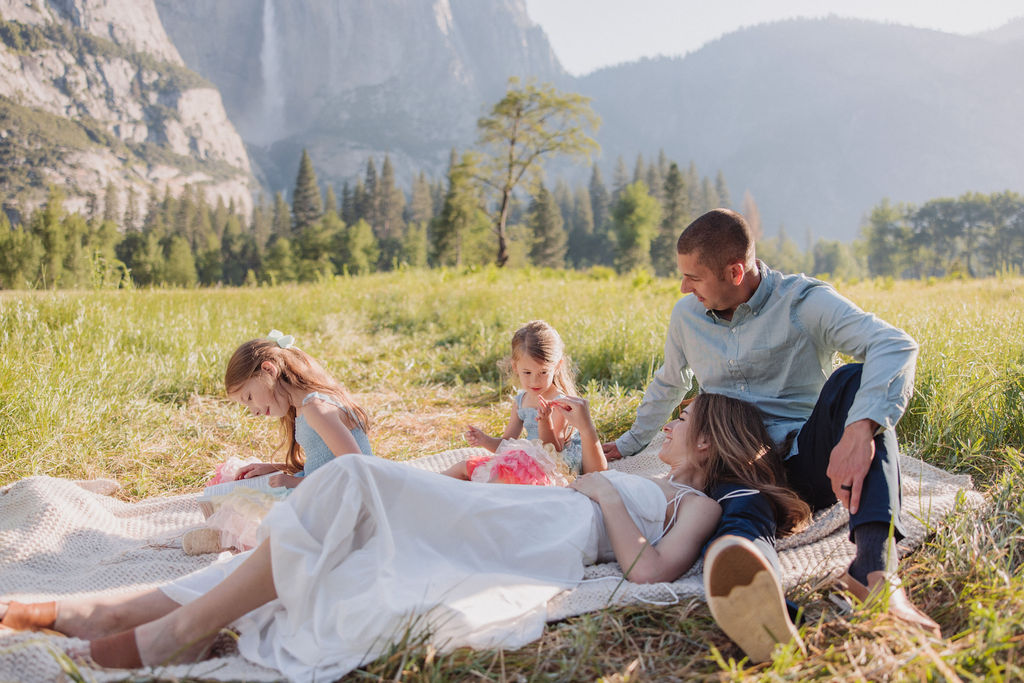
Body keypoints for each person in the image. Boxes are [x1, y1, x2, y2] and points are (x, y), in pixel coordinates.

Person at [0, 393, 807, 681]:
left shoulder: (701, 501)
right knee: (343, 526)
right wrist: (593, 461)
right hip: (534, 513)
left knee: (352, 485)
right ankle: (110, 609)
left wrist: (600, 493)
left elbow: (650, 569)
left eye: (683, 417)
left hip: (544, 534)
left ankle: (178, 628)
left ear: (707, 445)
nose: (668, 423)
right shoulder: (653, 471)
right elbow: (591, 462)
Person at [601, 208, 940, 662]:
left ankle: (874, 571)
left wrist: (858, 432)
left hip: (806, 461)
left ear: (735, 271)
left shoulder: (804, 303)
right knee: (739, 509)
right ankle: (759, 589)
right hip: (733, 461)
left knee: (854, 385)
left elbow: (894, 345)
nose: (684, 288)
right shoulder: (687, 317)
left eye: (693, 277)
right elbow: (669, 383)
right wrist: (627, 445)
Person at [445, 320, 606, 479]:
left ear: (556, 367)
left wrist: (545, 422)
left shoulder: (560, 402)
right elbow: (506, 443)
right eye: (527, 373)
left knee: (502, 476)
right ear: (515, 367)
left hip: (556, 467)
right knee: (464, 466)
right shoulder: (522, 400)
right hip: (530, 460)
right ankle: (432, 487)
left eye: (543, 373)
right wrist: (484, 440)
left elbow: (554, 450)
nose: (534, 381)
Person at [227, 329, 373, 488]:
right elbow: (326, 463)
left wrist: (295, 482)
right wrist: (277, 468)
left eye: (249, 398)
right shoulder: (302, 406)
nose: (254, 412)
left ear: (269, 370)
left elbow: (357, 469)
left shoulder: (316, 409)